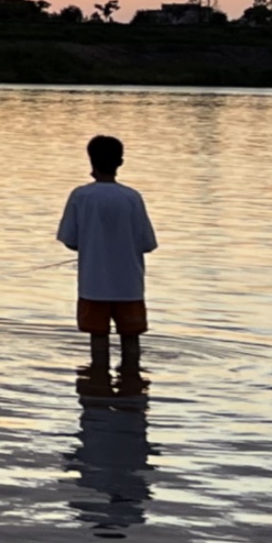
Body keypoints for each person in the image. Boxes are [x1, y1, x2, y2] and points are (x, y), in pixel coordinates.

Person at [56, 133, 157, 372]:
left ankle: (97, 389)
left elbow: (70, 240)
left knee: (98, 340)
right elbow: (147, 243)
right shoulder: (132, 197)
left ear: (90, 160)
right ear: (120, 162)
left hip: (94, 285)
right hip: (129, 286)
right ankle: (131, 388)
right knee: (131, 339)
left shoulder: (81, 196)